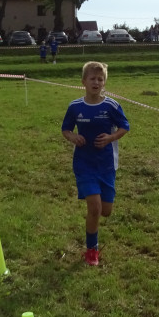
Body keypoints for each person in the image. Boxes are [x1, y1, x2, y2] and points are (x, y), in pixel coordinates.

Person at [61, 61, 130, 267]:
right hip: (84, 164)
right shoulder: (75, 107)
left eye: (100, 79)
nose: (96, 82)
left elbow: (124, 126)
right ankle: (92, 251)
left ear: (104, 83)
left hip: (106, 165)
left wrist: (110, 138)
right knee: (95, 208)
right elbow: (66, 129)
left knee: (106, 211)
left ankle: (96, 222)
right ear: (84, 81)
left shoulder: (111, 106)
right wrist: (73, 137)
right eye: (92, 78)